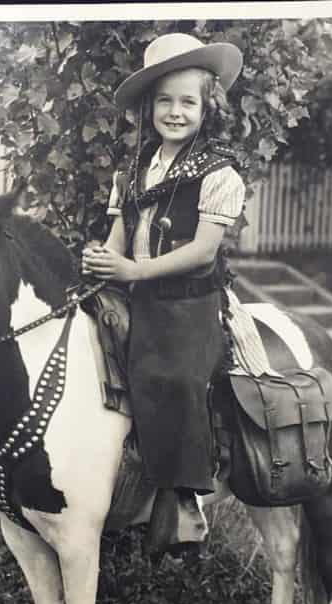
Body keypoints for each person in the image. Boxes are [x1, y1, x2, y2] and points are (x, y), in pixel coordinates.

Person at [82, 32, 246, 551]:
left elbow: (201, 251)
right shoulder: (131, 172)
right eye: (164, 101)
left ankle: (180, 501)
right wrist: (103, 261)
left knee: (172, 376)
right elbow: (117, 239)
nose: (175, 112)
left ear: (206, 107)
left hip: (188, 307)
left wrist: (135, 271)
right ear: (149, 108)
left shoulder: (218, 174)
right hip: (137, 297)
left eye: (187, 102)